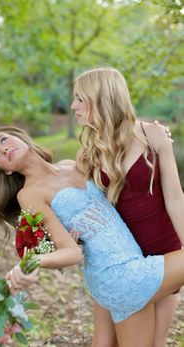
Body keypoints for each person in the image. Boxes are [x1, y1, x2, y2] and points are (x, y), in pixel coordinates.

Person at [0, 126, 184, 347]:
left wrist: (150, 133)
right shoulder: (29, 194)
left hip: (125, 267)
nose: (3, 150)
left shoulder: (71, 164)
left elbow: (116, 151)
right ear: (5, 170)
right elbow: (71, 251)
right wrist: (33, 261)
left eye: (3, 140)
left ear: (19, 137)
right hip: (117, 274)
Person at [70, 67, 184, 347]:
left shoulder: (154, 135)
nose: (73, 106)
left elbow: (175, 199)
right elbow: (89, 209)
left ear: (102, 98)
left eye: (80, 99)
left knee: (155, 342)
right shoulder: (87, 154)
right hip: (119, 262)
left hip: (163, 255)